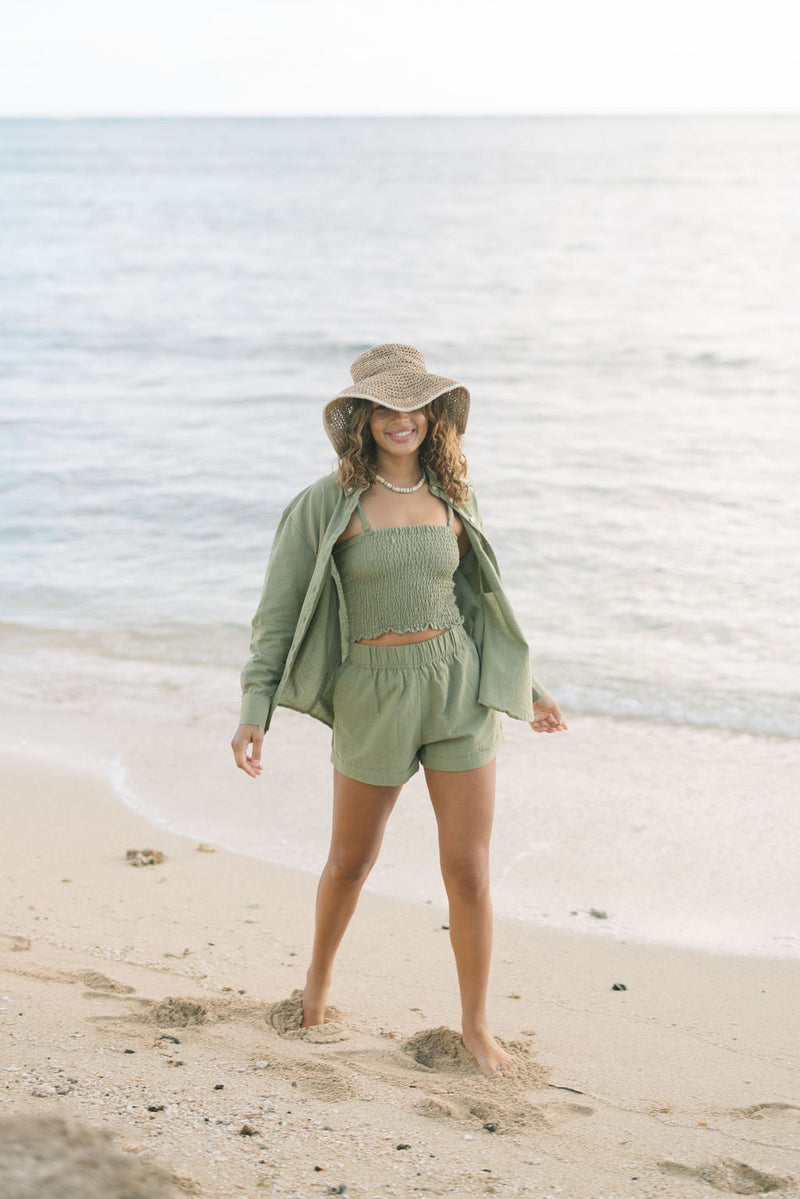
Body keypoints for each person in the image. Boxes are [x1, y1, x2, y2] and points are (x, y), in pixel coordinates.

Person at [231, 344, 567, 1078]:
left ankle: (476, 1026)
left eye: (413, 405)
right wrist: (256, 706)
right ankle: (316, 987)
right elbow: (278, 614)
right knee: (351, 861)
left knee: (469, 872)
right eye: (386, 407)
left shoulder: (454, 494)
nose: (401, 419)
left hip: (457, 687)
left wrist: (530, 687)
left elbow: (484, 603)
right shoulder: (324, 503)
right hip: (370, 693)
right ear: (364, 419)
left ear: (431, 414)